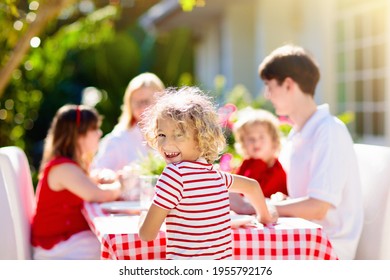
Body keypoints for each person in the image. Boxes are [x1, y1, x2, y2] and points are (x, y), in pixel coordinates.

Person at [138, 86, 278, 260]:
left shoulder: (174, 175)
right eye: (161, 135)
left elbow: (147, 234)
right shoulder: (215, 175)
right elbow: (252, 186)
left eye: (178, 135)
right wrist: (264, 216)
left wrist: (143, 219)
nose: (166, 144)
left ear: (200, 138)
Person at [258, 44, 363, 260]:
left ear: (288, 84)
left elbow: (317, 207)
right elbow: (295, 198)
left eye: (269, 86)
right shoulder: (298, 134)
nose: (267, 95)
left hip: (328, 248)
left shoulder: (329, 130)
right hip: (301, 237)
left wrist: (261, 207)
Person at [31, 104, 122, 260]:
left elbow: (89, 181)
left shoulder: (67, 166)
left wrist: (101, 178)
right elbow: (97, 195)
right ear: (79, 135)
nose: (99, 133)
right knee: (114, 250)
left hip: (68, 239)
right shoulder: (63, 168)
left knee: (112, 246)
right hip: (57, 248)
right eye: (94, 129)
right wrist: (120, 186)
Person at [91, 72, 165, 172]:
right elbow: (98, 172)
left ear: (161, 101)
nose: (142, 108)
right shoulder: (118, 140)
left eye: (146, 101)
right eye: (136, 103)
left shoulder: (175, 134)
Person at [229, 107, 287, 215]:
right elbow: (236, 189)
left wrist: (258, 163)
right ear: (243, 143)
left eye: (261, 137)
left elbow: (258, 192)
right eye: (250, 139)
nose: (256, 142)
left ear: (273, 140)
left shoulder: (276, 169)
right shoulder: (246, 164)